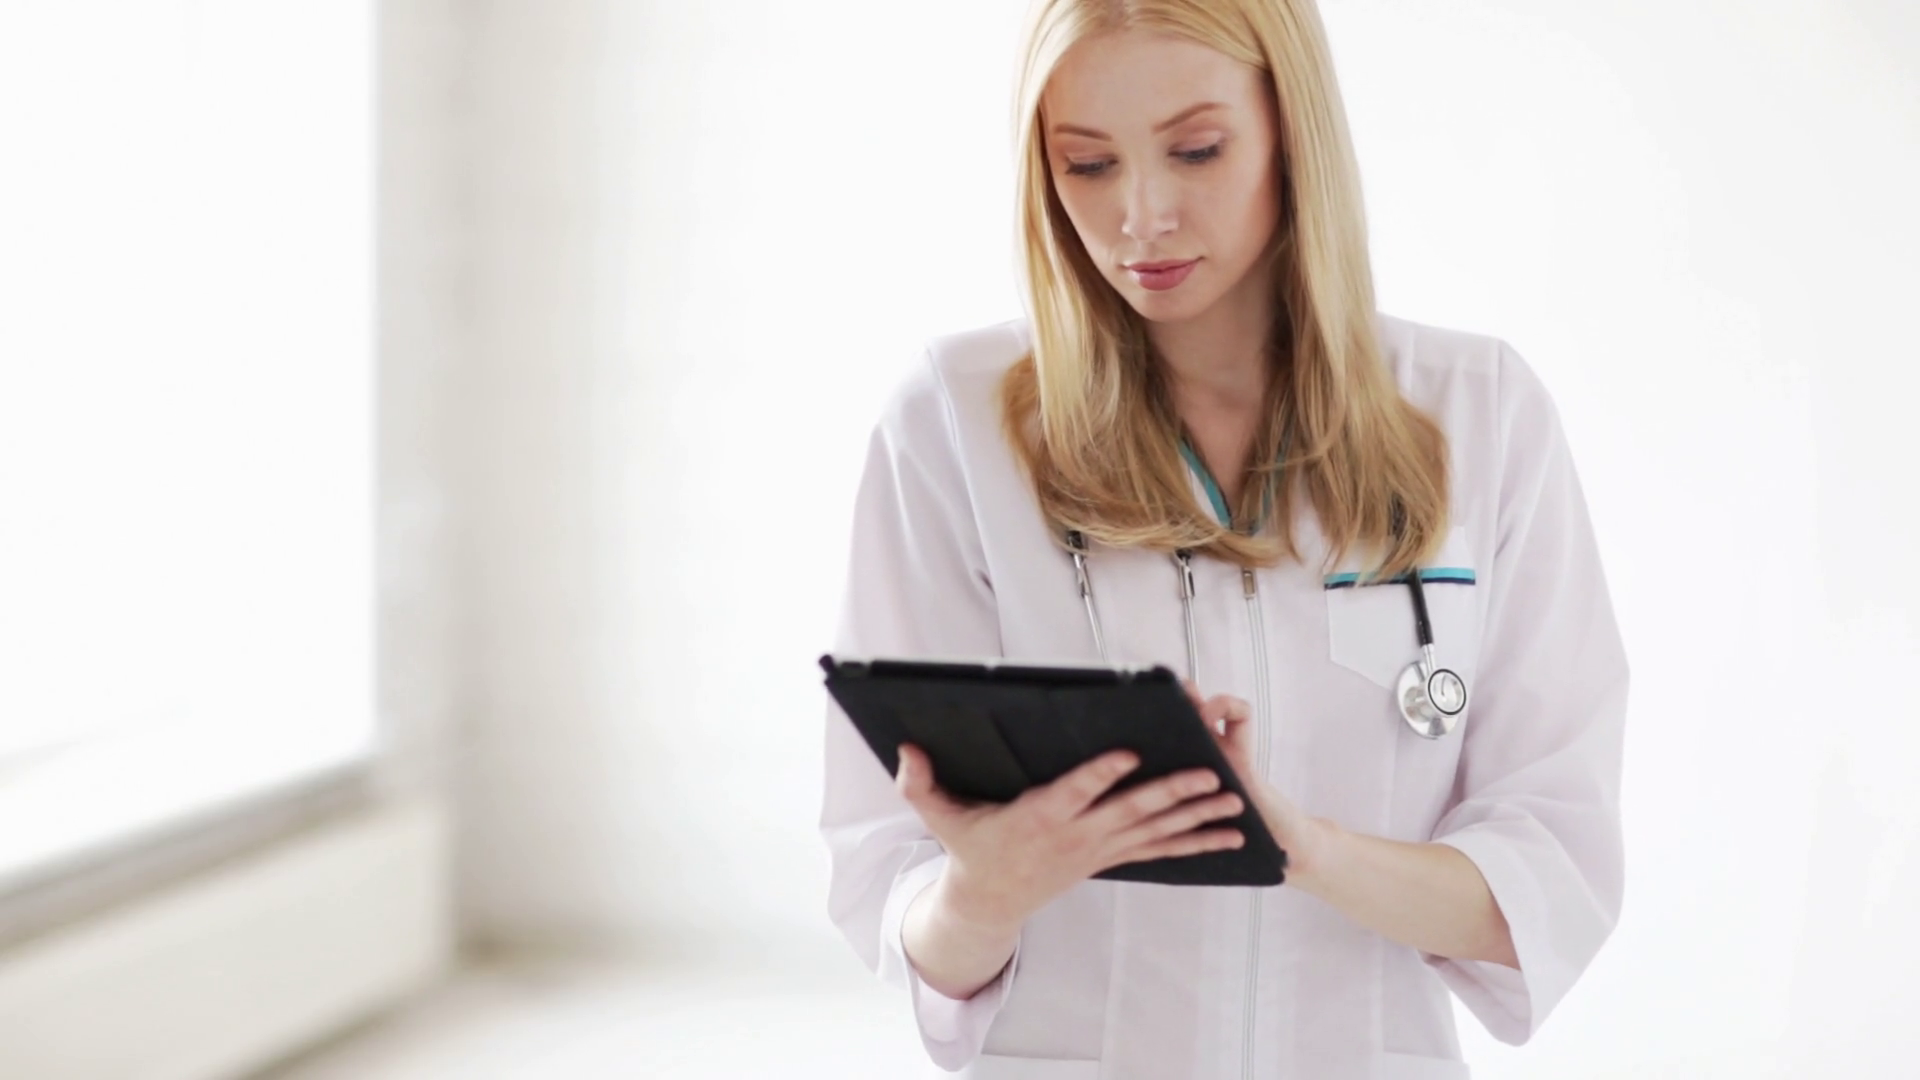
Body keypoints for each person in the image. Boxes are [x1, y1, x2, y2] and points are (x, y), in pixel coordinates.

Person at [818, 0, 1628, 1076]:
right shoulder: (952, 425)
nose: (1141, 217)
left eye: (1196, 150)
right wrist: (983, 894)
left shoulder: (1479, 412)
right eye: (1087, 164)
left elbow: (1549, 875)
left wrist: (1299, 847)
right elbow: (892, 891)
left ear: (1291, 128)